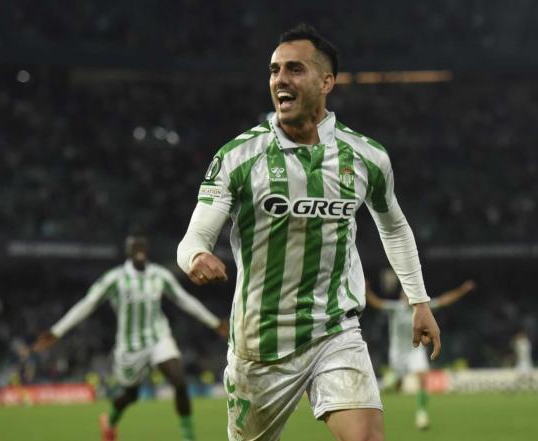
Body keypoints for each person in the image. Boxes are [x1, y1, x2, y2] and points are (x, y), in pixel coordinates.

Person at [177, 23, 441, 441]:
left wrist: (419, 300)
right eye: (274, 70)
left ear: (326, 81)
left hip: (335, 330)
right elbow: (194, 235)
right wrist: (195, 256)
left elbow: (394, 227)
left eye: (294, 69)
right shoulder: (238, 156)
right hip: (259, 344)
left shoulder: (367, 157)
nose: (280, 79)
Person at [33, 235, 228, 441]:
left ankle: (188, 438)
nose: (139, 250)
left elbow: (184, 299)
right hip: (130, 348)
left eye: (142, 246)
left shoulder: (159, 275)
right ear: (128, 251)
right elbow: (87, 304)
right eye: (135, 248)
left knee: (179, 381)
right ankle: (110, 421)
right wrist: (56, 331)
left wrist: (214, 322)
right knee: (130, 395)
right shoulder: (115, 279)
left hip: (158, 338)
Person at [366, 278, 475, 429]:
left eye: (408, 294)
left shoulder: (422, 308)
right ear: (401, 296)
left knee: (422, 378)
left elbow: (444, 300)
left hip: (415, 350)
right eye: (404, 294)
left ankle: (422, 415)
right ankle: (388, 383)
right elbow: (376, 303)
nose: (406, 296)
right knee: (396, 385)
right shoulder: (395, 308)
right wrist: (366, 291)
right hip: (397, 353)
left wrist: (462, 290)